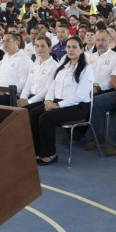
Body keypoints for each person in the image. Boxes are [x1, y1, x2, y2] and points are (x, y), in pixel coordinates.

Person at [30, 36, 93, 165]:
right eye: (68, 47)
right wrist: (48, 100)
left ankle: (50, 155)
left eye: (74, 47)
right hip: (58, 102)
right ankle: (37, 151)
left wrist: (57, 105)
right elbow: (53, 84)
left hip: (77, 106)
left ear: (81, 50)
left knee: (45, 118)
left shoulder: (86, 69)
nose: (70, 50)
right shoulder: (64, 63)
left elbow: (80, 96)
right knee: (32, 115)